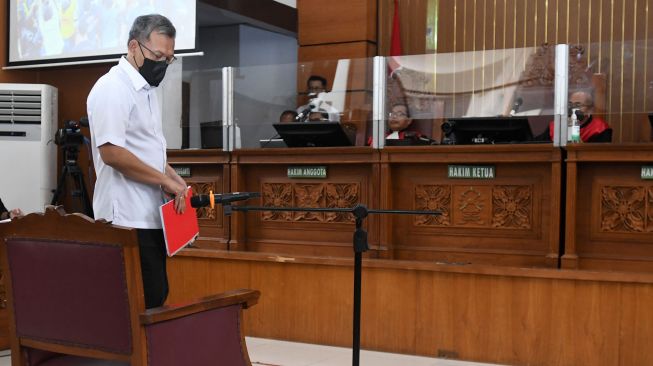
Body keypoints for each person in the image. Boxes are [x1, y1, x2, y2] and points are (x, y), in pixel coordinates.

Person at [87, 14, 188, 309]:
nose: (162, 64)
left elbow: (147, 152)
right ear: (134, 46)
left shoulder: (146, 89)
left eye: (168, 59)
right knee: (136, 303)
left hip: (149, 213)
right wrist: (164, 180)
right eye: (157, 55)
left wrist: (173, 177)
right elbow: (113, 153)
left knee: (156, 295)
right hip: (125, 217)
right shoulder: (112, 88)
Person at [539, 90, 612, 143]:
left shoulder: (599, 128)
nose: (573, 108)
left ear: (590, 110)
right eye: (570, 104)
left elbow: (597, 155)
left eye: (578, 105)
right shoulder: (556, 126)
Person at [368, 103, 434, 145]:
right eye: (392, 114)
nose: (394, 117)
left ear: (409, 120)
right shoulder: (378, 137)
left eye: (400, 114)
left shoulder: (415, 137)